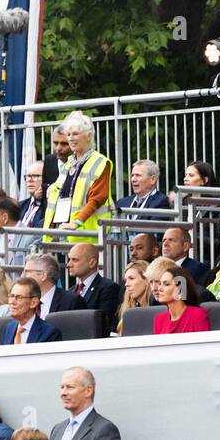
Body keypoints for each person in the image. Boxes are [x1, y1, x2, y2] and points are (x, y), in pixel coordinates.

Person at [48, 111, 115, 239]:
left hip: (87, 235)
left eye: (76, 134)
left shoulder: (100, 162)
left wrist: (77, 222)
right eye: (68, 134)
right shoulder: (69, 163)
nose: (71, 138)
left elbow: (97, 198)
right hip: (63, 233)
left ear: (89, 136)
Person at [45, 367, 122, 440]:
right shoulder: (57, 429)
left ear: (88, 391)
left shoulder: (105, 430)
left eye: (70, 387)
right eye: (62, 387)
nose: (63, 393)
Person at [66, 242, 121, 332]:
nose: (69, 264)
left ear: (92, 263)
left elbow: (104, 324)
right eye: (69, 259)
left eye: (75, 260)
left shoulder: (109, 288)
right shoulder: (71, 291)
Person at [2, 277, 64, 345]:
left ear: (33, 303)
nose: (12, 302)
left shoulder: (50, 333)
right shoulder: (8, 328)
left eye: (19, 297)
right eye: (11, 296)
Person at [153, 264, 210, 334]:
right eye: (160, 284)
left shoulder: (197, 315)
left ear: (180, 291)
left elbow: (203, 344)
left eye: (166, 284)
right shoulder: (159, 319)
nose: (159, 288)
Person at [115, 260, 153, 335]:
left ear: (146, 280)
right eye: (126, 280)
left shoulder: (159, 307)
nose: (126, 284)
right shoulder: (127, 310)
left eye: (131, 278)